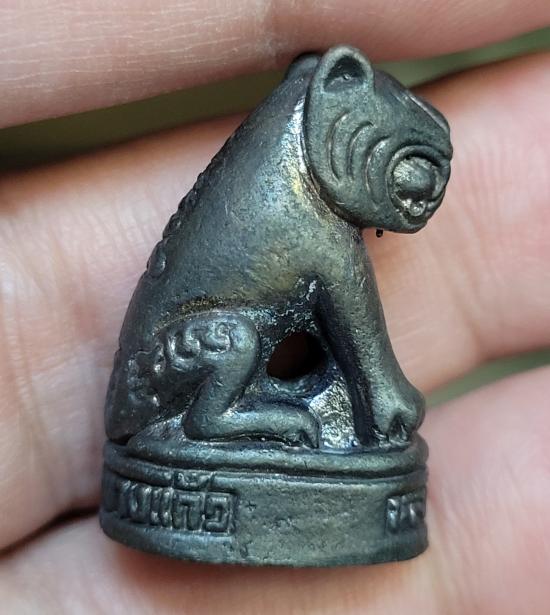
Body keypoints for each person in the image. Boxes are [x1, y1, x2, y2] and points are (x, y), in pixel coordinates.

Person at [0, 2, 549, 613]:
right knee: (231, 341)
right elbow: (350, 307)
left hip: (170, 377)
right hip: (171, 374)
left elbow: (348, 302)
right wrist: (383, 394)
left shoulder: (306, 191)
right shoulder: (306, 210)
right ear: (339, 86)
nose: (423, 190)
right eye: (409, 163)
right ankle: (215, 421)